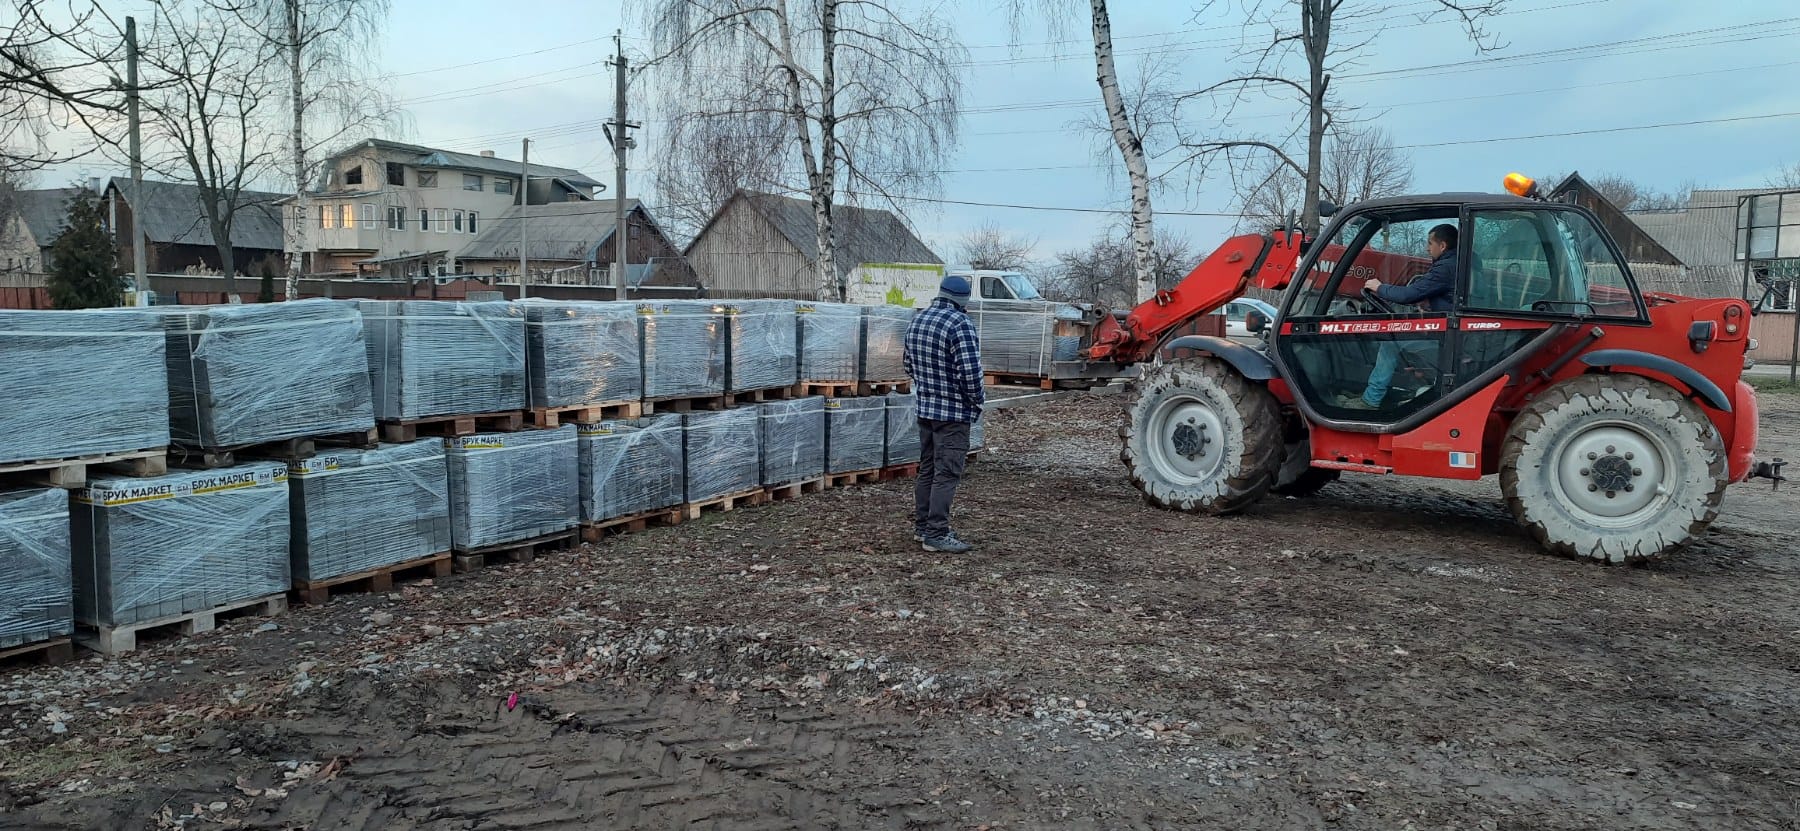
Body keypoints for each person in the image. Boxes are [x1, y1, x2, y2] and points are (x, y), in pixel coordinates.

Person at [902, 275, 985, 553]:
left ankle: (923, 527)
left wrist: (928, 387)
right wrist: (977, 401)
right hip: (952, 413)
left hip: (925, 409)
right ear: (963, 300)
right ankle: (936, 534)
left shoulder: (918, 319)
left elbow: (908, 365)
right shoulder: (960, 324)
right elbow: (971, 375)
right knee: (947, 473)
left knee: (928, 468)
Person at [1342, 223, 1458, 411]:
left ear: (1442, 246)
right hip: (1454, 335)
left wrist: (1379, 287)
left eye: (1430, 243)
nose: (1427, 248)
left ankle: (1371, 400)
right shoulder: (1459, 264)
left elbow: (1407, 295)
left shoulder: (1445, 268)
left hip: (1450, 340)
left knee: (1391, 343)